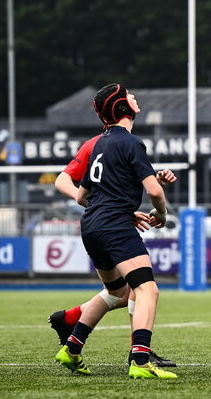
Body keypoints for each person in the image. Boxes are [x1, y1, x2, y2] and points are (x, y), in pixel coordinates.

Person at [53, 83, 176, 380]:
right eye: (130, 96)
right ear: (123, 108)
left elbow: (83, 195)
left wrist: (117, 205)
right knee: (148, 289)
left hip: (92, 224)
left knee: (116, 292)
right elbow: (154, 192)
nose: (135, 98)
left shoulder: (97, 144)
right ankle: (141, 359)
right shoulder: (131, 142)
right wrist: (161, 213)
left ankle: (71, 348)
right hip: (113, 225)